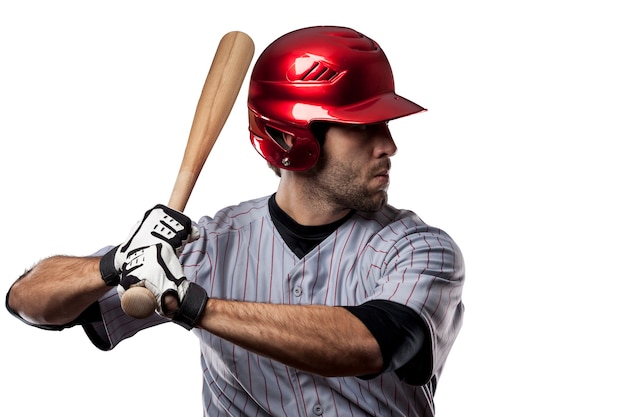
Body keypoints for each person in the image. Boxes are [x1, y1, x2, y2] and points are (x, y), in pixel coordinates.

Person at [6, 26, 465, 416]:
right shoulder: (210, 245)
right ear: (290, 137)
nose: (389, 145)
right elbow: (29, 301)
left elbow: (373, 343)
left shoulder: (420, 248)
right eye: (363, 126)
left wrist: (190, 304)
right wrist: (116, 264)